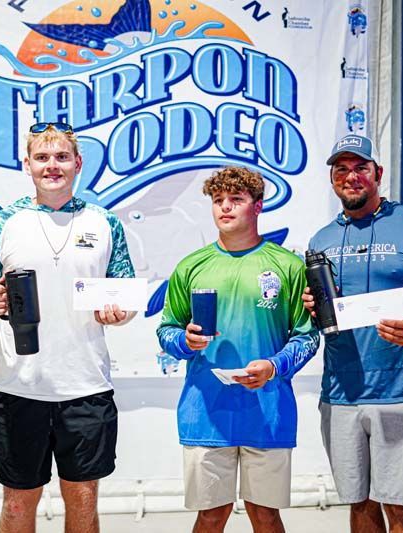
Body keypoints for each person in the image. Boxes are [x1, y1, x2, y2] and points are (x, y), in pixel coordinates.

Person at [0, 122, 135, 533]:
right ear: (27, 164)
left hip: (86, 388)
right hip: (19, 387)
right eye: (42, 158)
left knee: (83, 498)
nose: (51, 166)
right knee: (19, 504)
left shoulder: (104, 222)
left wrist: (119, 312)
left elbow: (127, 299)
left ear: (78, 163)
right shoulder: (4, 223)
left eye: (61, 157)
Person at [303, 134, 403, 533]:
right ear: (332, 178)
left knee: (402, 510)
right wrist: (312, 306)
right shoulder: (321, 240)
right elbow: (323, 316)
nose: (351, 176)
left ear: (378, 174)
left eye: (361, 168)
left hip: (402, 390)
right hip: (341, 392)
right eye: (342, 169)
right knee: (359, 505)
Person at [157, 166, 319, 533]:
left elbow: (308, 337)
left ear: (258, 206)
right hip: (206, 413)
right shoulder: (191, 266)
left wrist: (274, 366)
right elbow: (166, 330)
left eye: (236, 200)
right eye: (218, 201)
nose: (225, 208)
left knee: (265, 515)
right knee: (211, 516)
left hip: (268, 410)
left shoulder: (288, 266)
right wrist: (185, 341)